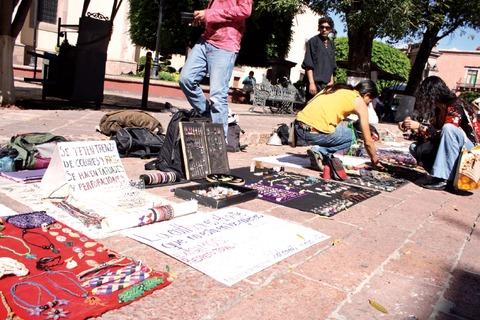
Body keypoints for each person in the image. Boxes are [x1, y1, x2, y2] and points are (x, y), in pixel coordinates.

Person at [179, 1, 253, 137]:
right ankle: (209, 116)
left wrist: (208, 14)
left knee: (217, 96)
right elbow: (217, 11)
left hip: (225, 45)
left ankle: (219, 141)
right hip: (205, 40)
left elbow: (245, 10)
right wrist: (202, 19)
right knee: (186, 79)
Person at [398, 76, 480, 190]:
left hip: (470, 150)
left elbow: (446, 133)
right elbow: (434, 134)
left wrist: (420, 127)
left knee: (448, 128)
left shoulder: (456, 105)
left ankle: (444, 179)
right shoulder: (438, 110)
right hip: (455, 148)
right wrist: (410, 128)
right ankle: (442, 175)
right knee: (415, 147)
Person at [295, 80, 381, 171]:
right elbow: (368, 141)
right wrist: (375, 161)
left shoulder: (336, 88)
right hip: (312, 133)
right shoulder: (359, 101)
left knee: (342, 128)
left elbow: (309, 105)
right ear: (367, 95)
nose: (368, 104)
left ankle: (322, 154)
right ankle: (319, 151)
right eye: (369, 101)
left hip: (298, 128)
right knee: (353, 134)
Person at [302, 16, 336, 102]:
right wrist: (312, 83)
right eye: (322, 27)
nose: (324, 29)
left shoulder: (331, 44)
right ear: (319, 28)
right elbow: (308, 64)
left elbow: (332, 64)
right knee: (311, 110)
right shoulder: (312, 42)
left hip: (327, 85)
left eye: (327, 28)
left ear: (331, 29)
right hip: (315, 84)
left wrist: (331, 81)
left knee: (324, 112)